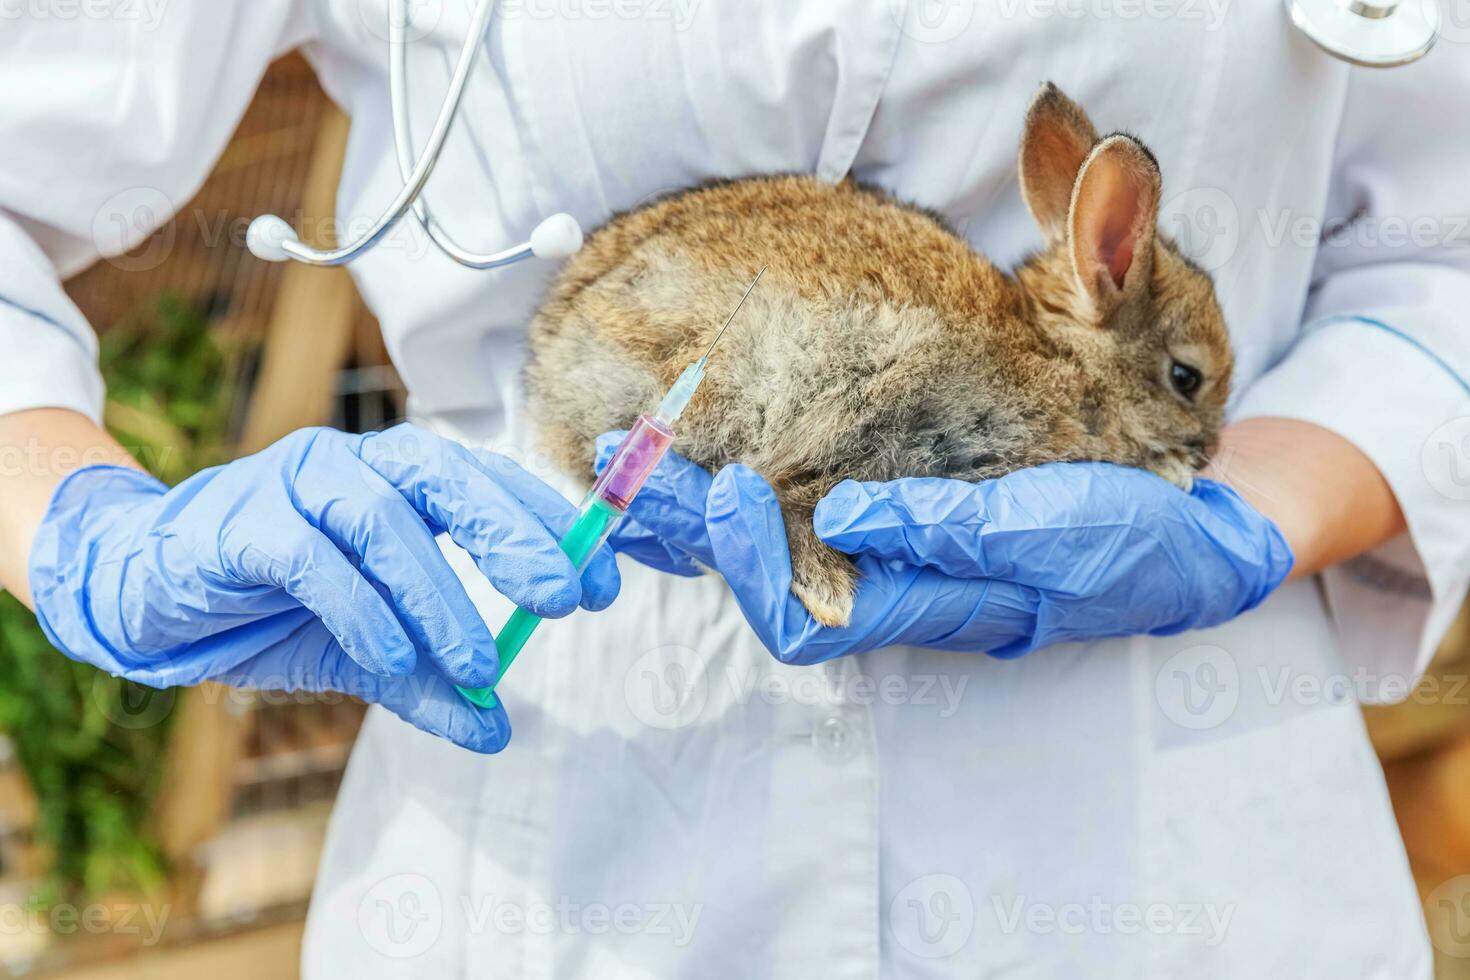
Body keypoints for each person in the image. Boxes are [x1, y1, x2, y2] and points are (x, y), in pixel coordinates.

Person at [2, 3, 1466, 977]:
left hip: (1175, 831)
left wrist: (1249, 516)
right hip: (569, 763)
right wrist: (87, 526)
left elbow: (1441, 250)